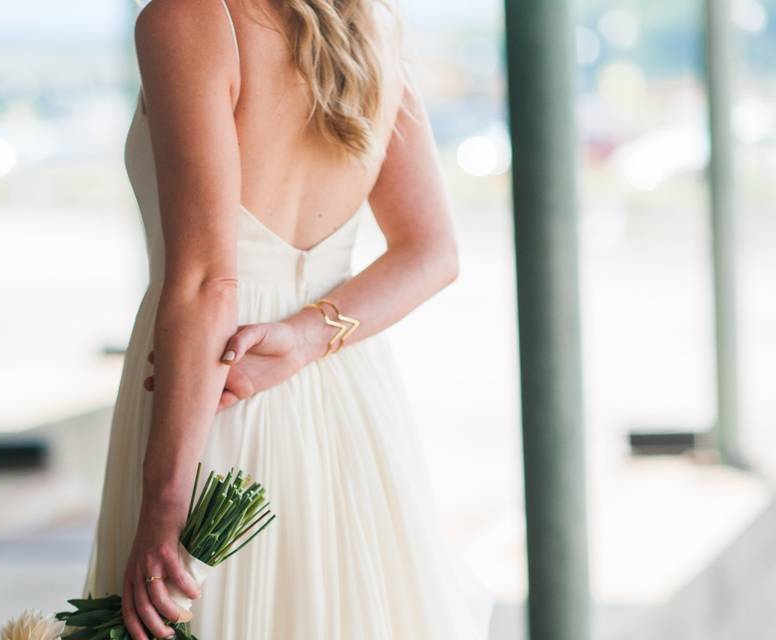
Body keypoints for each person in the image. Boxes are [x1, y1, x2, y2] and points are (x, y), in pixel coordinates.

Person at [83, 0, 493, 637]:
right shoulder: (369, 25)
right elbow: (431, 251)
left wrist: (165, 504)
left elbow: (205, 284)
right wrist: (305, 338)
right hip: (343, 396)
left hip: (216, 400)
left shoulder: (188, 18)